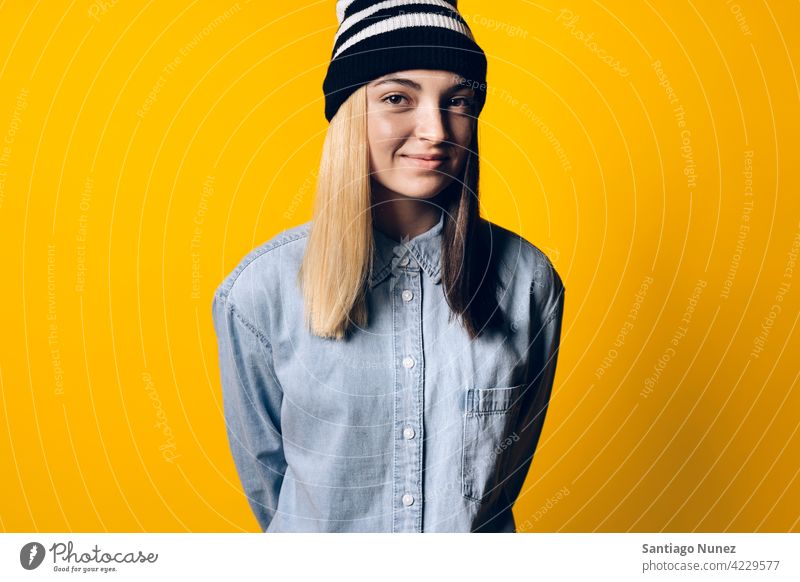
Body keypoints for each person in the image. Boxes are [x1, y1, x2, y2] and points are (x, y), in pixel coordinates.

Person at [211, 0, 566, 533]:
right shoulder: (259, 292)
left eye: (459, 101)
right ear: (350, 110)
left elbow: (499, 488)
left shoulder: (528, 283)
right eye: (398, 98)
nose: (435, 129)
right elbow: (270, 488)